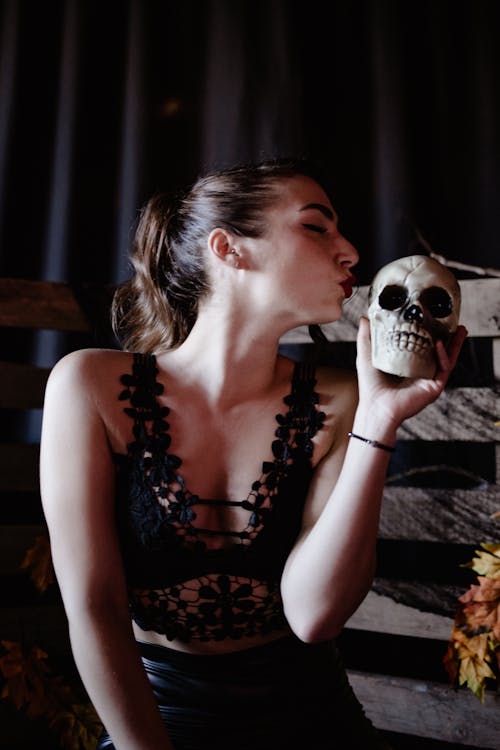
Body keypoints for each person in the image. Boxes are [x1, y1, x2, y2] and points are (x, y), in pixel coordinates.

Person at [39, 158, 467, 750]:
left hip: (314, 720)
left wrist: (377, 423)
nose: (350, 252)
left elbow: (314, 616)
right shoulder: (87, 385)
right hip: (152, 717)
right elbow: (95, 606)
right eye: (317, 227)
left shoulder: (344, 400)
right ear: (228, 248)